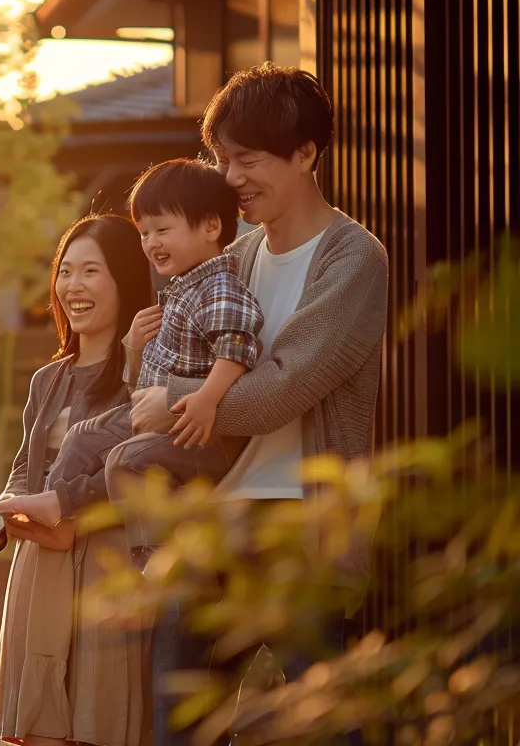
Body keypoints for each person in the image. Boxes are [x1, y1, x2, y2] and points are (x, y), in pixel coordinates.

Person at [127, 63, 389, 745]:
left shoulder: (353, 259)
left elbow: (283, 386)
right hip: (215, 524)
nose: (230, 176)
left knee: (328, 730)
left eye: (247, 158)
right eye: (221, 158)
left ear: (306, 154)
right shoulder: (233, 258)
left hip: (307, 535)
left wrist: (171, 400)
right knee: (178, 725)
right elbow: (168, 364)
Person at [0, 212, 155, 746]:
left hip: (109, 559)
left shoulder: (147, 371)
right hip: (42, 561)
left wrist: (73, 519)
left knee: (101, 723)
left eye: (91, 271)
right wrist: (5, 506)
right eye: (66, 271)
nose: (73, 286)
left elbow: (145, 465)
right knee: (41, 730)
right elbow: (25, 461)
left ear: (124, 278)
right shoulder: (47, 378)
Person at [90, 157, 266, 512]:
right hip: (161, 428)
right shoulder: (181, 290)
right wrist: (135, 348)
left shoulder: (218, 288)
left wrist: (207, 398)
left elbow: (237, 349)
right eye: (144, 233)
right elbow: (148, 377)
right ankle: (52, 502)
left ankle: (151, 556)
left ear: (210, 227)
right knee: (83, 436)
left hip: (201, 440)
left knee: (126, 461)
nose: (151, 242)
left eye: (162, 230)